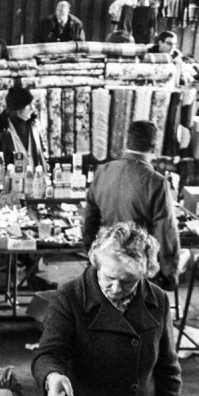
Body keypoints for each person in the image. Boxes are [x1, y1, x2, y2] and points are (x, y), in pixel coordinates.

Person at [32, 222, 180, 396]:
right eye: (109, 277)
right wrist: (52, 378)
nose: (117, 288)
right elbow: (48, 354)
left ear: (144, 273)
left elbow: (168, 369)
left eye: (128, 281)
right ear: (97, 264)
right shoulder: (70, 298)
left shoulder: (158, 300)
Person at [83, 120, 180, 286]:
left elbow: (89, 222)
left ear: (126, 143)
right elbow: (166, 231)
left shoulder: (102, 171)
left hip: (106, 263)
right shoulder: (156, 182)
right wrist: (170, 271)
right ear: (154, 147)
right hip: (139, 268)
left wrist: (93, 257)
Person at [0, 86, 54, 291]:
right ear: (18, 108)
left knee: (34, 230)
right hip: (6, 189)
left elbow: (41, 154)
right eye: (28, 105)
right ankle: (5, 281)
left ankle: (35, 276)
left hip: (32, 186)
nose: (32, 108)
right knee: (6, 231)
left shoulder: (34, 126)